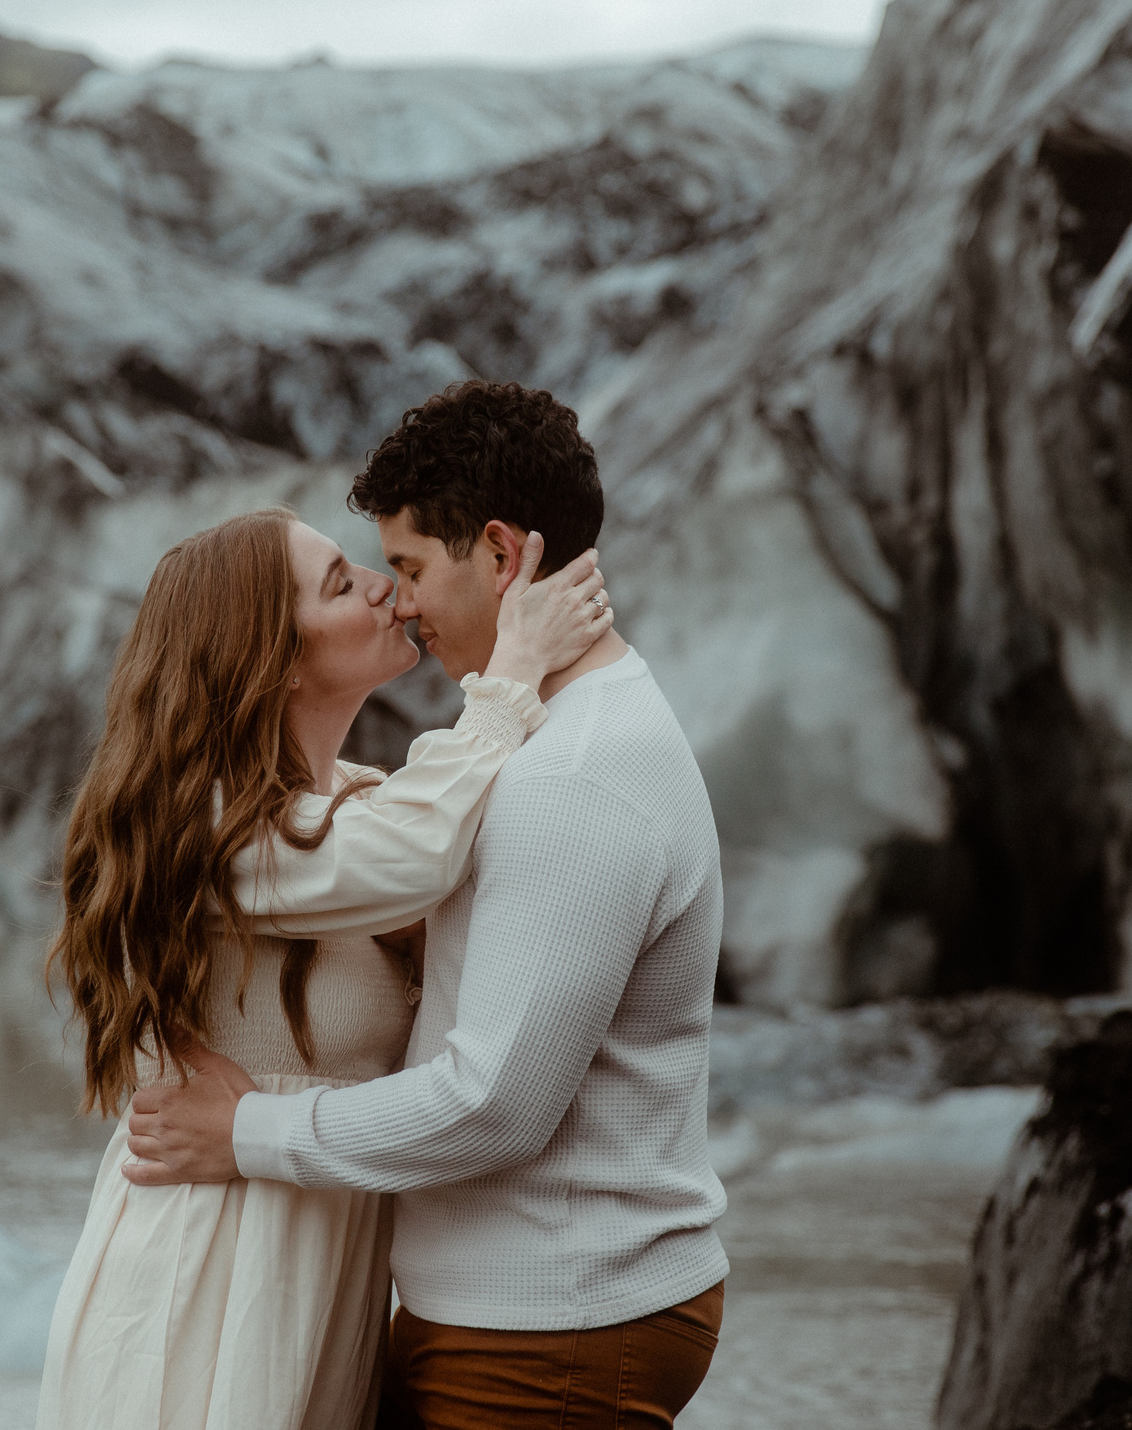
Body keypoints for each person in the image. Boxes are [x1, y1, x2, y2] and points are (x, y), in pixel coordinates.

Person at [125, 381, 729, 1430]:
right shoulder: (548, 747)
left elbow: (490, 1101)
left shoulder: (566, 782)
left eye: (406, 568)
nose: (396, 600)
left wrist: (247, 1132)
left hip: (547, 1327)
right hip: (527, 1313)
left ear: (500, 557)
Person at [35, 499, 615, 1430]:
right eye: (343, 583)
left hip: (323, 1276)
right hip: (208, 1278)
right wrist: (511, 672)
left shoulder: (363, 802)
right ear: (269, 657)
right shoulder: (214, 832)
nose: (385, 586)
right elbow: (414, 855)